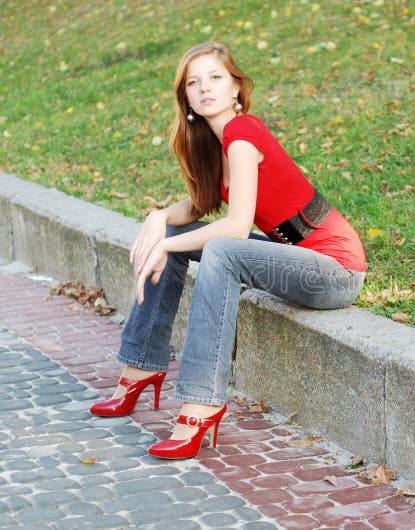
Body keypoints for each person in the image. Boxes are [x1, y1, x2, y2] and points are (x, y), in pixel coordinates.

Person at [89, 42, 367, 460]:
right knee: (189, 237)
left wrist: (165, 243)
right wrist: (158, 218)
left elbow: (236, 226)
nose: (205, 89)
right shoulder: (215, 144)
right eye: (193, 83)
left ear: (237, 87)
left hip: (334, 271)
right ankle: (140, 365)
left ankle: (202, 402)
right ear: (185, 98)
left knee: (220, 247)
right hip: (293, 257)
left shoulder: (243, 133)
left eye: (215, 78)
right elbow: (198, 208)